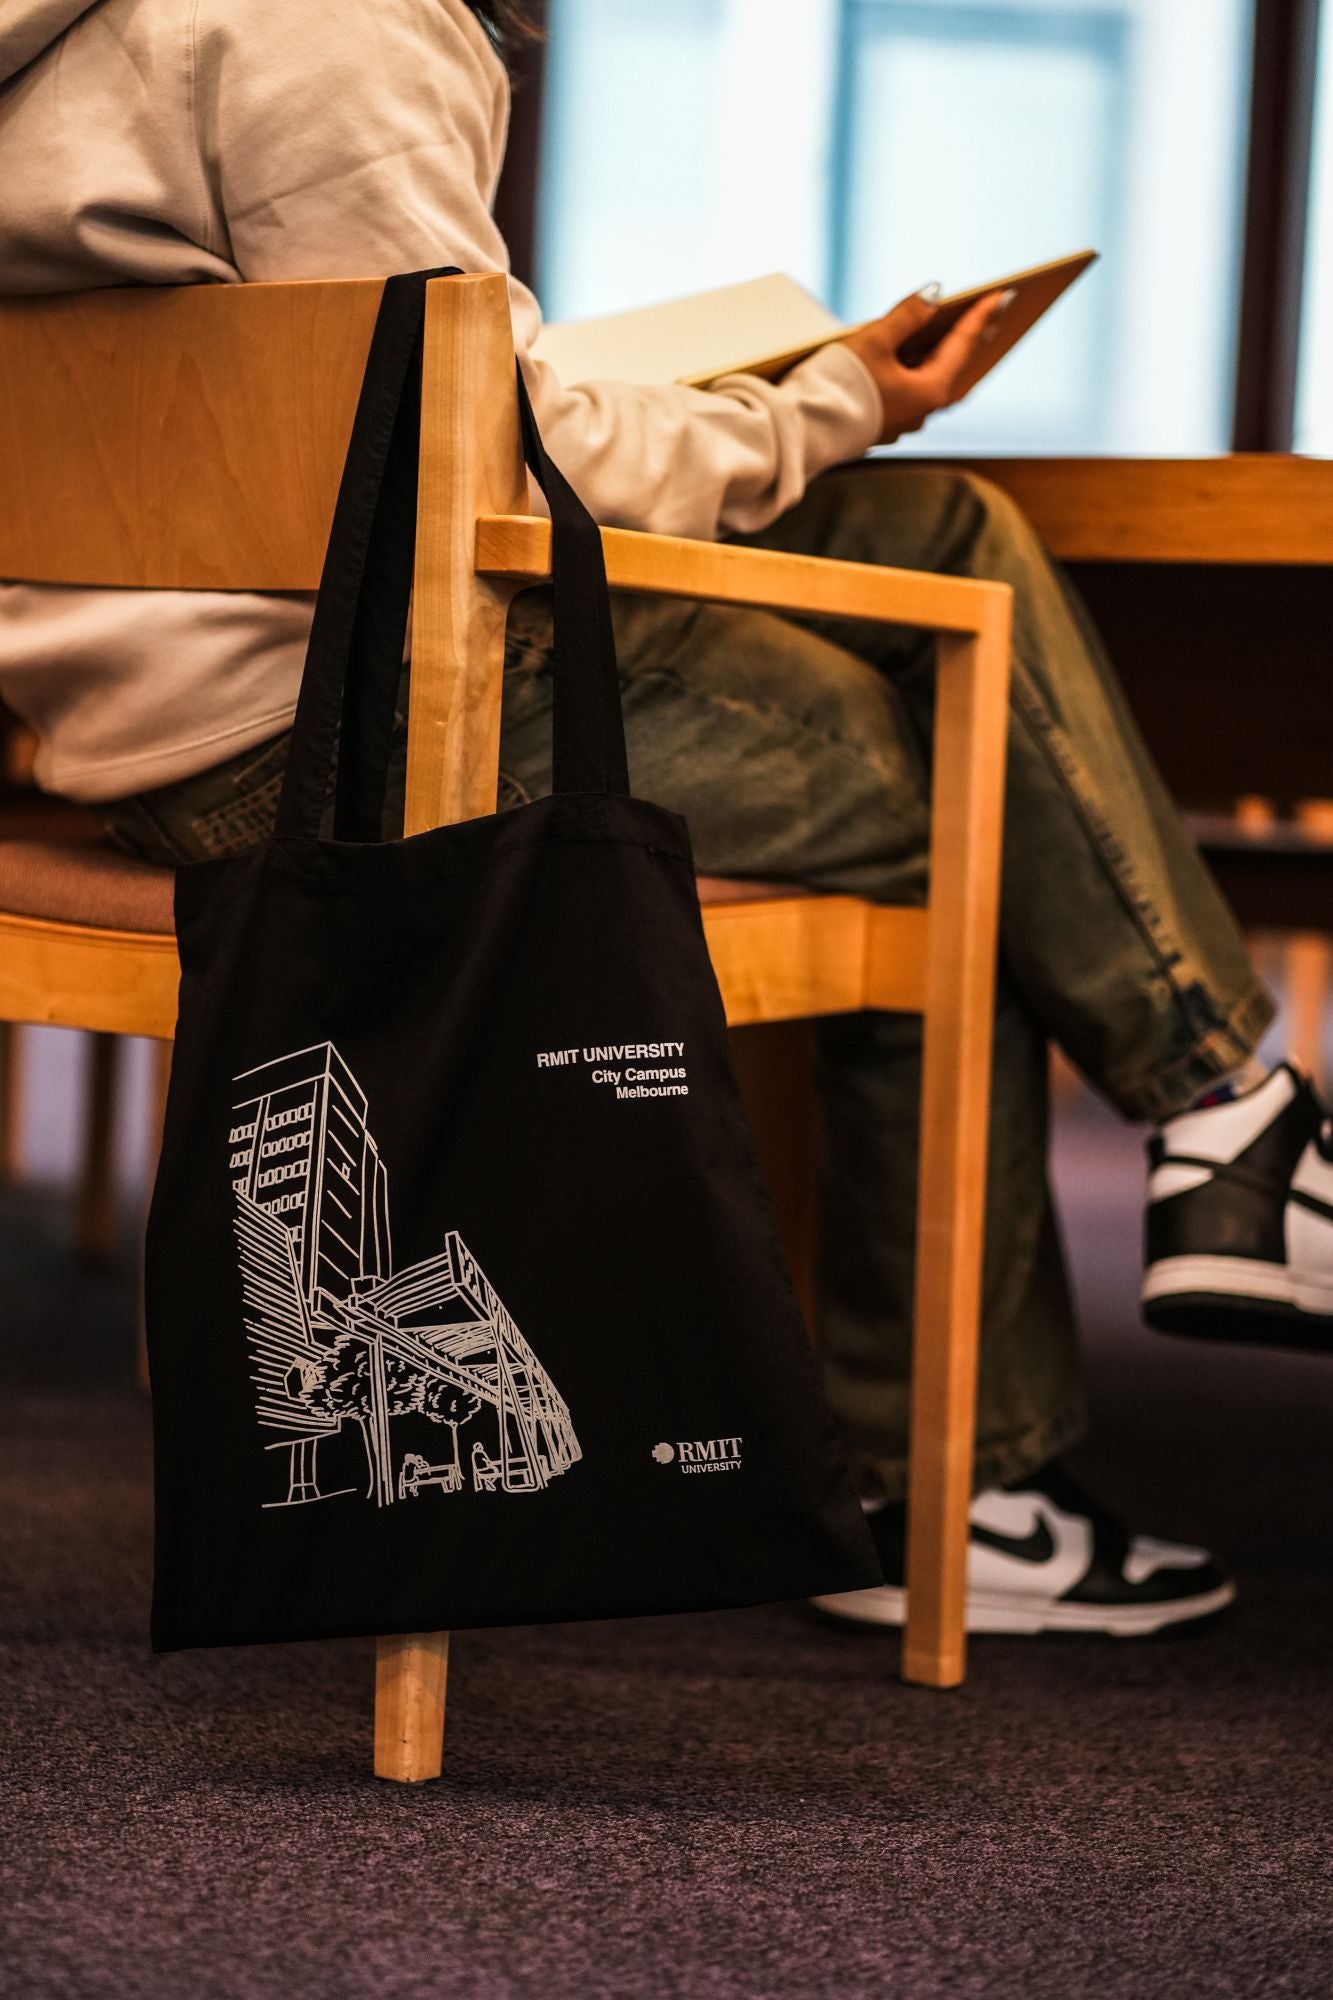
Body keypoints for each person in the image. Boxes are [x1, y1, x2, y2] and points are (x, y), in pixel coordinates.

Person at [1, 0, 1326, 1639]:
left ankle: (1228, 1117)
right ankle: (969, 1474)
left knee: (942, 530)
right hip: (330, 714)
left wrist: (822, 413)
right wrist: (823, 398)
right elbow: (487, 443)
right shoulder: (331, 22)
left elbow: (386, 393)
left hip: (148, 697)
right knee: (971, 797)